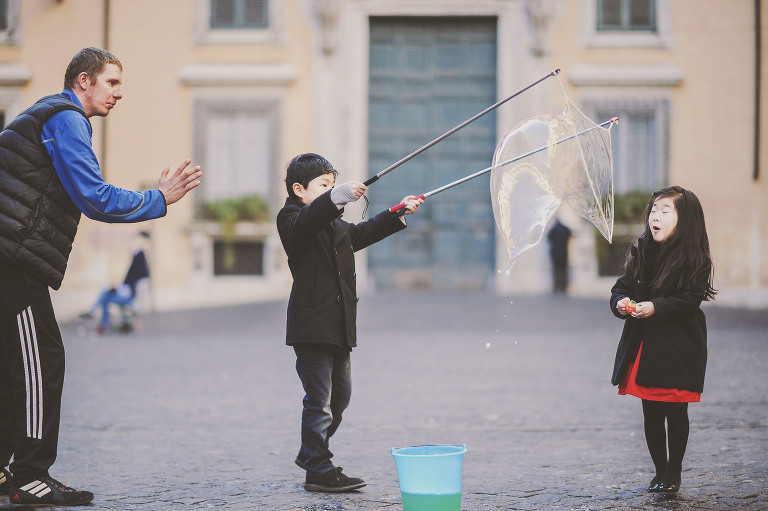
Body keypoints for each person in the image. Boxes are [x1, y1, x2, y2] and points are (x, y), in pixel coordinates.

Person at [0, 47, 201, 506]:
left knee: (12, 363)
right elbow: (95, 196)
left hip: (8, 254)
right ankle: (30, 476)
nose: (119, 93)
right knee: (40, 360)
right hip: (13, 258)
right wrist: (158, 198)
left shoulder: (43, 114)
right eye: (112, 82)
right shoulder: (66, 117)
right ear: (84, 81)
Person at [276, 153, 422, 493]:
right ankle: (319, 470)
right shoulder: (291, 219)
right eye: (324, 185)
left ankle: (311, 452)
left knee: (339, 399)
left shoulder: (334, 225)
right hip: (311, 328)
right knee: (320, 403)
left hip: (338, 326)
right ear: (299, 189)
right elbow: (310, 219)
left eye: (332, 184)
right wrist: (337, 196)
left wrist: (397, 213)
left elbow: (361, 233)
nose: (331, 190)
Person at [609, 186, 716, 494]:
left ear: (685, 221)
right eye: (654, 210)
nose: (655, 216)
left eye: (665, 211)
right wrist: (620, 302)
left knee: (676, 410)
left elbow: (689, 299)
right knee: (651, 411)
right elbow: (621, 286)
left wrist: (655, 306)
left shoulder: (695, 259)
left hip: (678, 346)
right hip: (646, 345)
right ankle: (659, 470)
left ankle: (673, 472)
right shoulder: (642, 249)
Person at [81, 231, 152, 334]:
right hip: (125, 291)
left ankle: (96, 316)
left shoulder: (140, 260)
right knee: (105, 293)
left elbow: (139, 282)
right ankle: (97, 317)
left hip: (128, 295)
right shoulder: (136, 263)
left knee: (105, 297)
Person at [547, 218, 572, 295]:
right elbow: (569, 234)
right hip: (564, 252)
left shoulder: (553, 229)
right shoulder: (565, 228)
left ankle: (556, 286)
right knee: (564, 270)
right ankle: (564, 287)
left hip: (555, 253)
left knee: (556, 271)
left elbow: (549, 238)